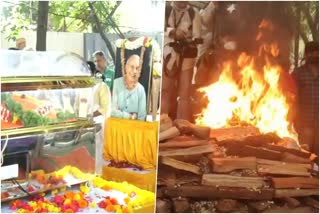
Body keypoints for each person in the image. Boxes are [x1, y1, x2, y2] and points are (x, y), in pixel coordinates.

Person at [162, 1, 201, 121]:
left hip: (187, 56)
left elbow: (197, 37)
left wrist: (187, 41)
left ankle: (182, 125)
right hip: (169, 54)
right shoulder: (165, 9)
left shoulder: (193, 13)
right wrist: (173, 32)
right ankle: (163, 123)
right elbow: (160, 30)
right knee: (165, 90)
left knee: (184, 93)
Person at [293, 41, 319, 156]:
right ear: (306, 55)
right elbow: (292, 100)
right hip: (304, 124)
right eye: (311, 53)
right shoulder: (298, 74)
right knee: (304, 156)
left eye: (317, 52)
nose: (315, 55)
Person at [111, 54, 146, 121]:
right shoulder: (116, 83)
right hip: (118, 126)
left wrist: (120, 113)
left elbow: (142, 117)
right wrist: (130, 116)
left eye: (137, 68)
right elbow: (112, 111)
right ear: (125, 68)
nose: (134, 71)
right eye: (132, 67)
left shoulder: (141, 89)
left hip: (134, 128)